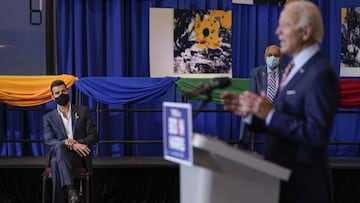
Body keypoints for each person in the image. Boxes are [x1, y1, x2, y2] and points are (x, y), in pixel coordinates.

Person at [221, 1, 339, 203]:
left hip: (304, 187)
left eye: (285, 25)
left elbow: (316, 134)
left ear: (305, 31)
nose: (278, 31)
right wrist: (252, 113)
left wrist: (270, 114)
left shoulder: (319, 73)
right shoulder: (293, 69)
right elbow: (282, 123)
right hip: (281, 179)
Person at [43, 80, 99, 203]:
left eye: (64, 91)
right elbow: (49, 140)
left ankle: (70, 191)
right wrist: (69, 144)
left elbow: (94, 137)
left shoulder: (83, 111)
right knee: (59, 149)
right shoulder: (48, 118)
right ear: (52, 97)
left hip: (79, 156)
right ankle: (71, 191)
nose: (61, 94)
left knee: (56, 160)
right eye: (57, 93)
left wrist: (75, 143)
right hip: (60, 154)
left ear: (68, 91)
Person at [239, 45, 284, 151]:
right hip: (261, 108)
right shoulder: (256, 73)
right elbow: (252, 93)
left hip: (279, 110)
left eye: (276, 55)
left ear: (280, 58)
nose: (272, 58)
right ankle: (243, 144)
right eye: (270, 55)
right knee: (247, 111)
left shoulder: (286, 72)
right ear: (265, 57)